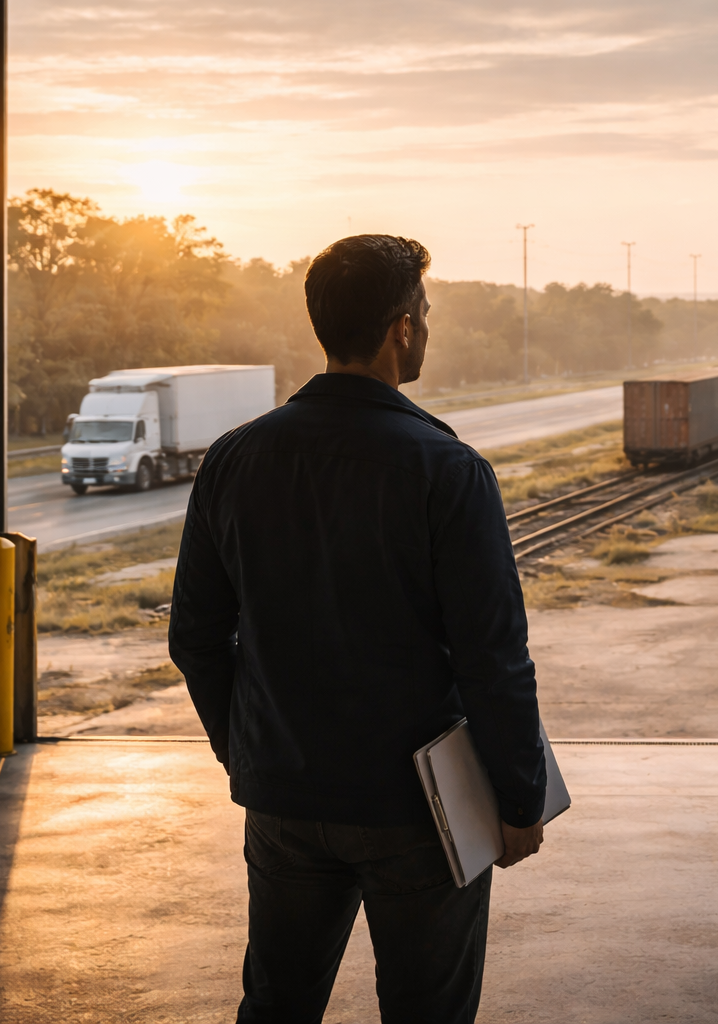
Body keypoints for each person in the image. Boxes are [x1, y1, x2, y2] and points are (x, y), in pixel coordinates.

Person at [169, 234, 547, 1023]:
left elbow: (197, 637)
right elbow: (492, 660)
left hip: (284, 796)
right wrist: (520, 799)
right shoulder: (449, 471)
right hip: (419, 806)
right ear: (401, 328)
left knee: (276, 1003)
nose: (428, 328)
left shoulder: (235, 459)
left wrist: (247, 752)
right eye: (426, 313)